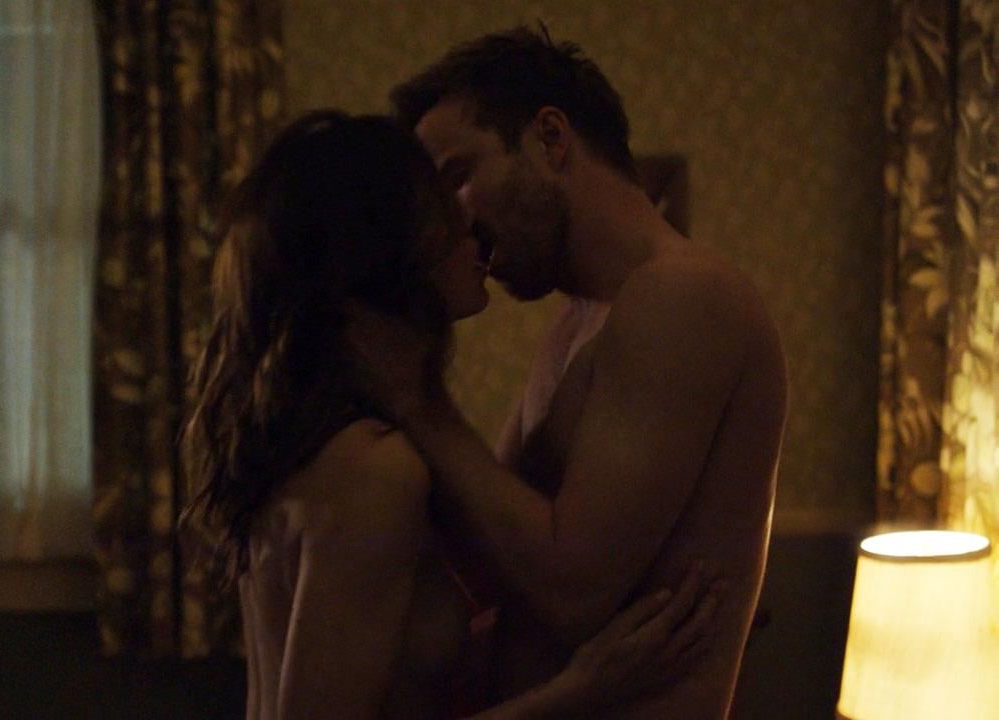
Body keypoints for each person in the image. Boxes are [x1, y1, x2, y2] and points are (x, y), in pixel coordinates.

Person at [181, 111, 718, 719]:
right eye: (440, 208)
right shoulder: (372, 469)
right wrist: (585, 689)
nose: (470, 222)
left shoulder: (332, 443)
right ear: (384, 251)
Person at [345, 27, 789, 718]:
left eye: (457, 178)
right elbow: (493, 562)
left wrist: (417, 399)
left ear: (550, 138)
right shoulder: (577, 323)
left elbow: (571, 589)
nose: (450, 222)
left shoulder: (683, 296)